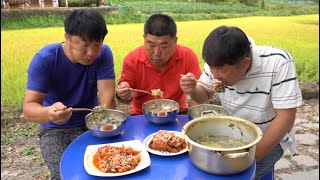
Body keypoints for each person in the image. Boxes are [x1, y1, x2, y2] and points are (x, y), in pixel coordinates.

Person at [180, 26, 302, 179]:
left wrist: (249, 158)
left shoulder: (279, 62)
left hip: (268, 137)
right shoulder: (217, 62)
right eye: (212, 69)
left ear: (245, 62)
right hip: (231, 131)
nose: (215, 76)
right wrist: (191, 90)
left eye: (221, 70)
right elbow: (203, 95)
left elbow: (285, 118)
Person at [22, 9, 116, 179]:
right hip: (55, 128)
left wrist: (105, 122)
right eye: (84, 45)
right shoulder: (45, 59)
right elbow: (29, 109)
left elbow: (107, 100)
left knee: (110, 167)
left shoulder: (104, 54)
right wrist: (49, 113)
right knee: (64, 174)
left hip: (92, 124)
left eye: (96, 45)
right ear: (67, 37)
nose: (91, 53)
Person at [116, 13, 202, 115]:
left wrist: (193, 90)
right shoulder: (132, 59)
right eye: (151, 45)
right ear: (144, 39)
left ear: (175, 41)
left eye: (164, 46)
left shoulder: (187, 56)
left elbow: (200, 95)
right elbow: (124, 99)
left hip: (177, 112)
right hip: (142, 114)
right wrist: (123, 93)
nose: (156, 53)